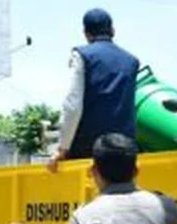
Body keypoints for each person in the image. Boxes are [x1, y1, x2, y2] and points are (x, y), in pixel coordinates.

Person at [48, 8, 140, 173]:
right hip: (124, 148)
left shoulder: (82, 55)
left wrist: (62, 149)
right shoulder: (132, 61)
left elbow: (72, 105)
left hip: (90, 149)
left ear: (86, 33)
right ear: (112, 31)